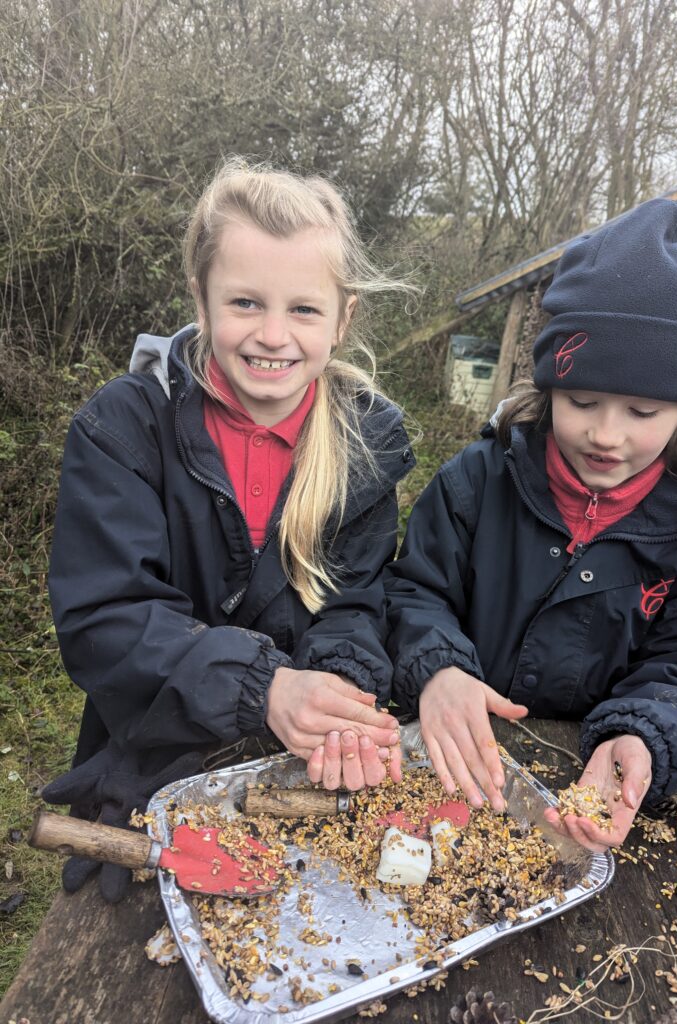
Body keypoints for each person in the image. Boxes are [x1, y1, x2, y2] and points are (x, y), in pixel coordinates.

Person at [43, 159, 415, 901]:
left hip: (290, 766)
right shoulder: (124, 426)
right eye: (245, 302)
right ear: (202, 300)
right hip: (146, 754)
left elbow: (353, 603)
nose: (273, 336)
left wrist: (340, 697)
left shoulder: (367, 441)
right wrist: (263, 685)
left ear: (341, 318)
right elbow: (104, 618)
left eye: (304, 310)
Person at [384, 198, 677, 853]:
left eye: (642, 410)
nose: (605, 435)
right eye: (581, 401)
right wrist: (436, 668)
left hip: (585, 791)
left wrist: (642, 731)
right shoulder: (474, 484)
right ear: (547, 387)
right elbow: (412, 592)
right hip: (445, 763)